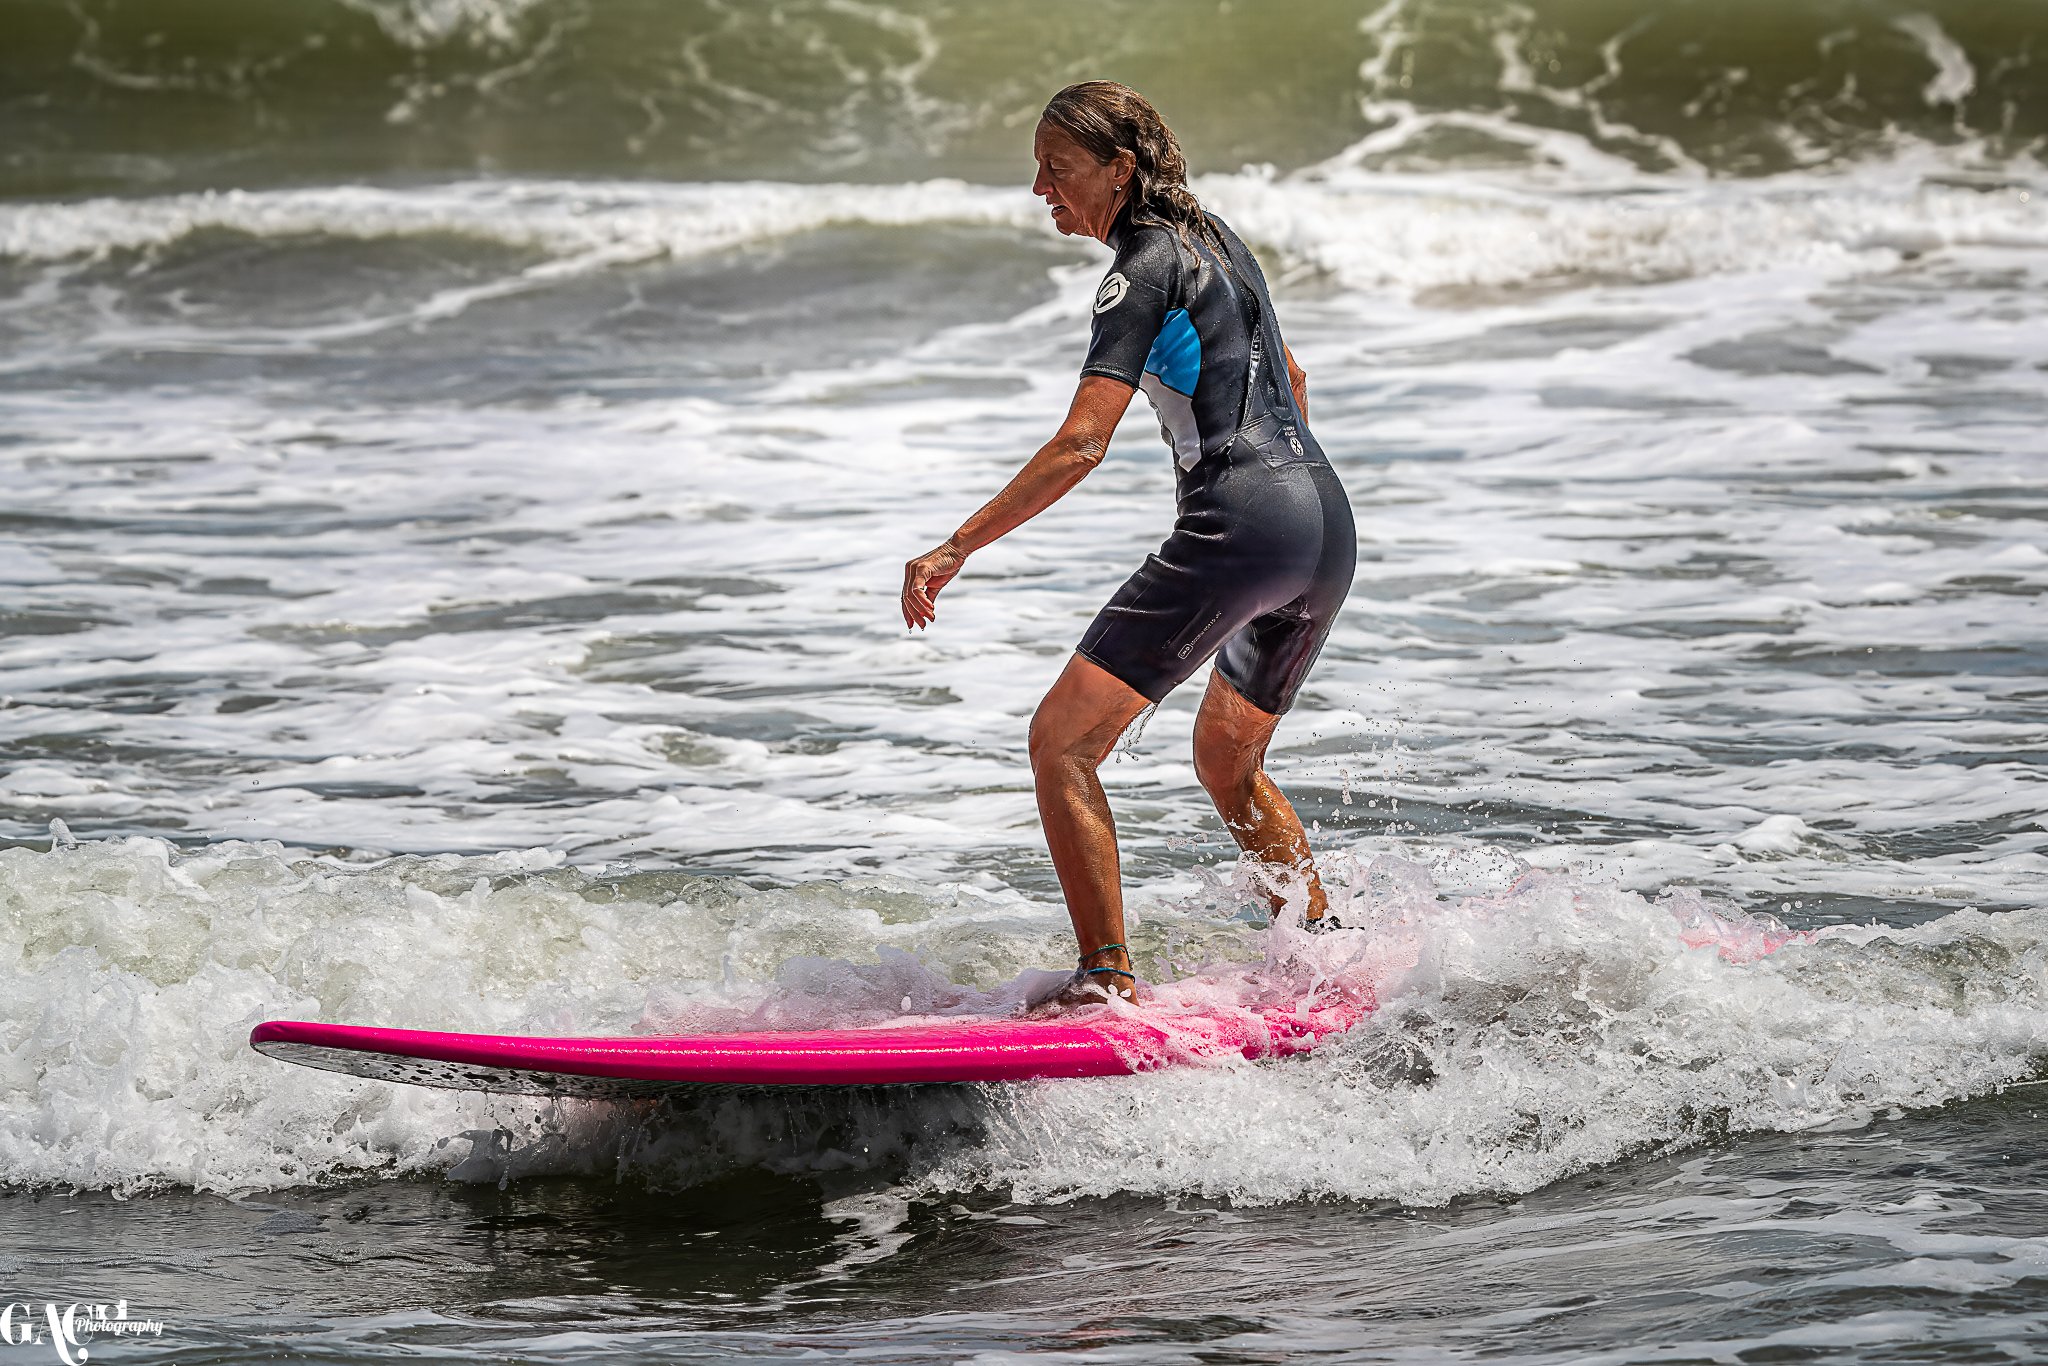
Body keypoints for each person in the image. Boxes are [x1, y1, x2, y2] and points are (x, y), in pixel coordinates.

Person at [900, 81, 1355, 1008]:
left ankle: (1105, 978)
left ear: (1121, 168)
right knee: (1228, 759)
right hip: (1324, 522)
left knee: (1060, 744)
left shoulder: (1140, 270)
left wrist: (954, 548)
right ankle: (1323, 951)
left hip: (1241, 527)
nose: (1040, 190)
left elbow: (1081, 443)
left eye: (1057, 170)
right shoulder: (1217, 238)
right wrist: (1284, 517)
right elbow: (1293, 379)